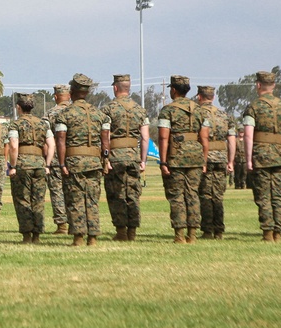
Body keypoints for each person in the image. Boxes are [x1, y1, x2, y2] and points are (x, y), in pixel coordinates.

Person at [53, 74, 110, 246]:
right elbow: (105, 141)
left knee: (75, 200)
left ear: (72, 92)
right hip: (94, 162)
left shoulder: (64, 115)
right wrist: (105, 160)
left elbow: (61, 140)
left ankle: (78, 237)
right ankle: (92, 237)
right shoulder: (100, 115)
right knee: (92, 200)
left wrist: (62, 163)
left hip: (74, 162)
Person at [243, 71, 281, 243]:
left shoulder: (253, 107)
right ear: (273, 86)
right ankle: (278, 233)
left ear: (258, 85)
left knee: (263, 196)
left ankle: (267, 233)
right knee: (277, 196)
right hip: (280, 157)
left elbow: (248, 136)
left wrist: (249, 159)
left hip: (261, 157)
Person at [157, 75, 209, 244]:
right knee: (192, 194)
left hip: (176, 157)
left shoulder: (168, 110)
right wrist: (204, 161)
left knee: (177, 196)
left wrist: (163, 161)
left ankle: (179, 235)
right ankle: (192, 235)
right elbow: (205, 138)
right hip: (196, 156)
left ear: (173, 90)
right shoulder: (200, 110)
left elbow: (164, 138)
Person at [101, 74, 149, 241]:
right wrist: (143, 160)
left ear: (115, 88)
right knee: (133, 194)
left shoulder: (108, 109)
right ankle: (132, 232)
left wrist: (105, 158)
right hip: (133, 157)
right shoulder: (140, 110)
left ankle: (121, 231)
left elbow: (105, 137)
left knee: (116, 194)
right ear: (128, 88)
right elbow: (145, 138)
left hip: (114, 156)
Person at [7, 93, 54, 243]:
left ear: (18, 107)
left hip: (23, 164)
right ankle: (37, 235)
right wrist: (47, 164)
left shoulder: (15, 124)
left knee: (23, 199)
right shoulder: (43, 123)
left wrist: (13, 166)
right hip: (40, 164)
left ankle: (27, 235)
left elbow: (14, 146)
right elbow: (51, 145)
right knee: (38, 200)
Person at [196, 86, 236, 239]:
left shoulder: (197, 114)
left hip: (204, 157)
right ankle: (218, 230)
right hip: (221, 158)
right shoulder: (225, 115)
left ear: (200, 97)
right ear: (213, 97)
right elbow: (231, 140)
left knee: (206, 194)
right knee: (218, 196)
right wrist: (231, 161)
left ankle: (207, 230)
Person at [46, 84, 72, 232]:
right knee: (74, 190)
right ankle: (76, 221)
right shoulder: (76, 111)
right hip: (75, 156)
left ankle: (62, 224)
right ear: (69, 96)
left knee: (57, 190)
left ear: (56, 97)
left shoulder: (50, 114)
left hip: (56, 158)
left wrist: (47, 160)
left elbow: (45, 138)